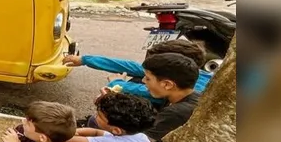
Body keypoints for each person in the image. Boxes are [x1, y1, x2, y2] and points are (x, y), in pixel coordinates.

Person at [63, 39, 212, 104]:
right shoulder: (187, 73)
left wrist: (117, 83)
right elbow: (131, 66)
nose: (144, 79)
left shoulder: (193, 89)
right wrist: (84, 60)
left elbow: (142, 90)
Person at [141, 53, 201, 142]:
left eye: (148, 78)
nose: (143, 80)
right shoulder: (184, 96)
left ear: (167, 84)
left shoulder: (177, 113)